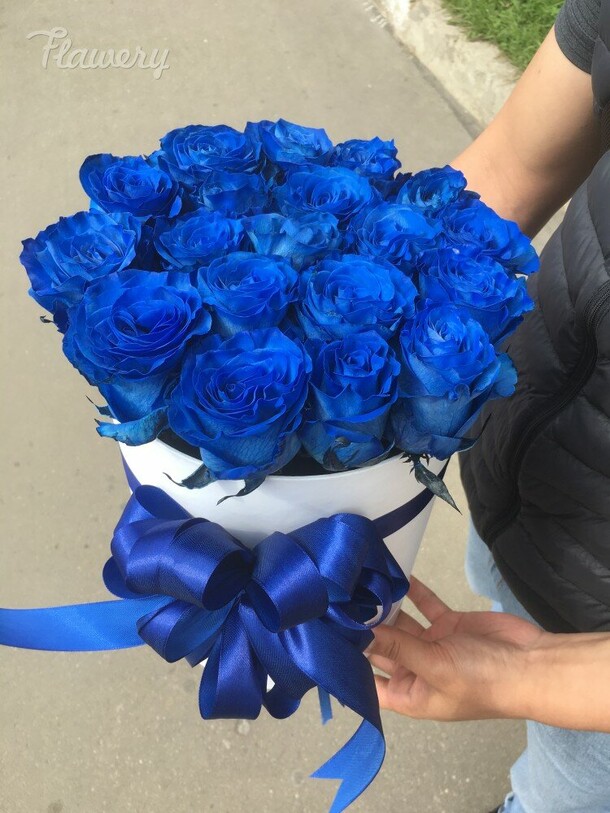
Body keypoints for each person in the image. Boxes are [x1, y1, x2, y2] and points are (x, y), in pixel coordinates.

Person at [369, 1, 610, 811]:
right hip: (517, 466)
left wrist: (533, 673)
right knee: (498, 578)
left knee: (570, 786)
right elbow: (512, 168)